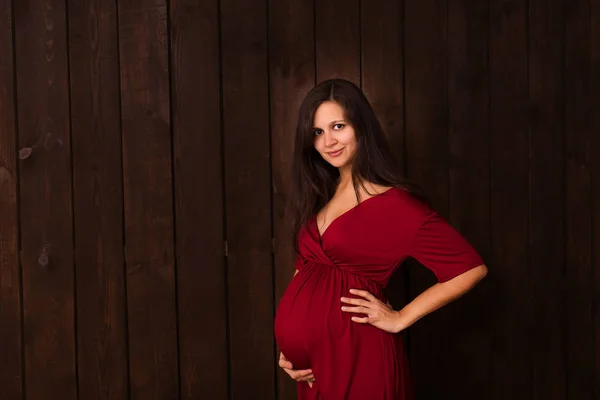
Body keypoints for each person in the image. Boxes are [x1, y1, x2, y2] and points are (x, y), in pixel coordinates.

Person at [273, 78, 487, 400]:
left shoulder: (396, 205)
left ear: (361, 126)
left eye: (338, 126)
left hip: (360, 356)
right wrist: (290, 349)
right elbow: (304, 272)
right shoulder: (320, 199)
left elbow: (469, 268)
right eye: (317, 132)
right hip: (314, 370)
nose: (328, 140)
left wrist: (401, 317)